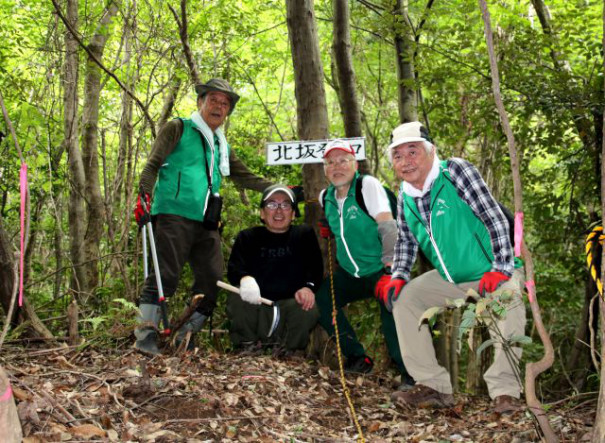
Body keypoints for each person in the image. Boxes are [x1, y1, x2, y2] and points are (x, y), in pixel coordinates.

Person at [379, 121, 526, 413]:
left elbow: (493, 217)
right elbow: (407, 241)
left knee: (509, 303)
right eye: (398, 155)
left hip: (493, 268)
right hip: (452, 278)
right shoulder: (405, 195)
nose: (405, 161)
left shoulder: (454, 171)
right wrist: (398, 276)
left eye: (413, 151)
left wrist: (501, 267)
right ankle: (433, 387)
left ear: (431, 151)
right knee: (407, 298)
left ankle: (505, 393)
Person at [133, 78, 272, 355]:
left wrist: (278, 189)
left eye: (225, 103)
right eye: (214, 100)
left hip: (207, 221)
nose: (219, 107)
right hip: (173, 213)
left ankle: (186, 334)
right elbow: (153, 165)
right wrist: (144, 196)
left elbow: (244, 177)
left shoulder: (221, 145)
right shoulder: (179, 128)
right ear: (200, 102)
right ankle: (145, 335)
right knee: (165, 276)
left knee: (211, 278)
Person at [316, 139, 414, 386]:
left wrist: (390, 271)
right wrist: (331, 226)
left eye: (343, 161)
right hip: (351, 274)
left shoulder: (366, 185)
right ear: (325, 168)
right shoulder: (325, 197)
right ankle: (357, 358)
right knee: (324, 299)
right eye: (330, 162)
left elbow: (388, 226)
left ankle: (411, 376)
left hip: (380, 269)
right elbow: (338, 219)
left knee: (394, 313)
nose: (336, 167)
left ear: (355, 164)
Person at [226, 184, 323, 353]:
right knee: (237, 295)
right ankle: (246, 347)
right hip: (257, 306)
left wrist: (308, 287)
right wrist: (245, 279)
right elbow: (234, 269)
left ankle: (290, 352)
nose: (279, 211)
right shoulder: (247, 237)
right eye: (271, 204)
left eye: (285, 205)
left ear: (293, 214)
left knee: (308, 306)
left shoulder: (304, 234)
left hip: (289, 307)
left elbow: (315, 269)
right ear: (262, 213)